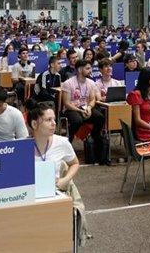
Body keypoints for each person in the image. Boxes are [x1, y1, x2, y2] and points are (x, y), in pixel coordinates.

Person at [28, 102, 89, 241]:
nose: (54, 123)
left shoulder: (61, 143)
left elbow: (74, 163)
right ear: (34, 124)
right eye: (48, 120)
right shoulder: (22, 147)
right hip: (32, 198)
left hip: (55, 195)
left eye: (54, 119)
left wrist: (64, 180)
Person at [61, 60, 108, 165]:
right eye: (87, 68)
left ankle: (94, 137)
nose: (90, 70)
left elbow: (92, 100)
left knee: (100, 117)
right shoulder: (68, 83)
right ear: (79, 69)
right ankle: (68, 141)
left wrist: (89, 108)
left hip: (85, 108)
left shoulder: (91, 83)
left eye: (90, 68)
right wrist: (80, 110)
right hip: (72, 109)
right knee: (77, 120)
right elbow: (67, 103)